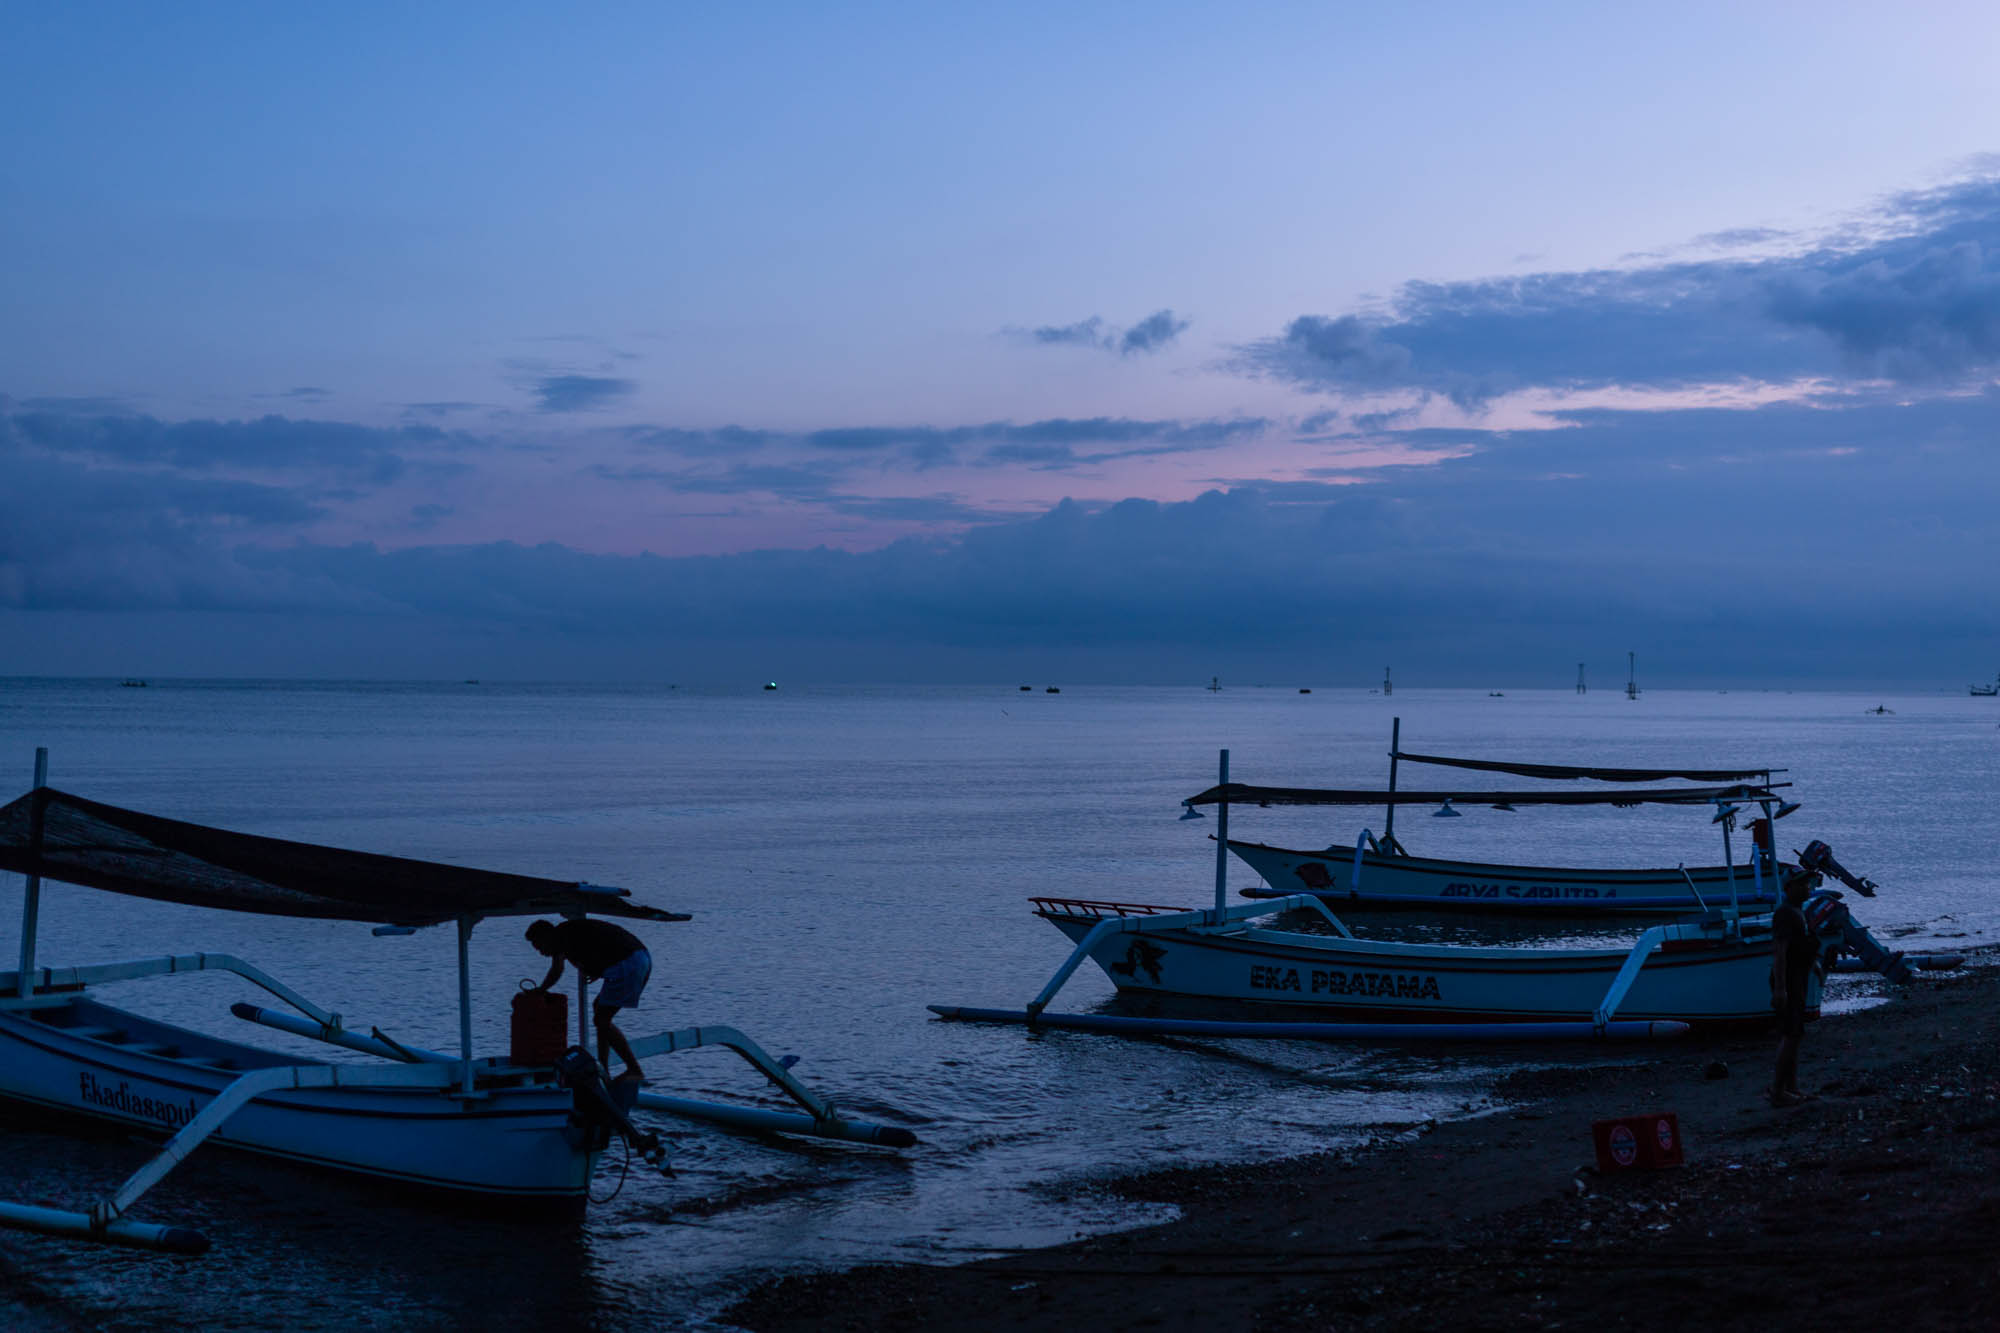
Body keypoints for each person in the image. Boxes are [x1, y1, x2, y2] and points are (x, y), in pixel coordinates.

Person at [526, 917, 652, 1082]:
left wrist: (541, 990)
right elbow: (597, 945)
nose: (540, 952)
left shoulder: (561, 936)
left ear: (546, 936)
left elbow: (557, 969)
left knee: (602, 1019)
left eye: (539, 946)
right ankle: (604, 1068)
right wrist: (598, 970)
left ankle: (634, 1070)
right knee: (599, 1009)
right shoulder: (568, 933)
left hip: (628, 963)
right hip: (639, 957)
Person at [1768, 869, 1823, 1108]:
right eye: (1800, 884)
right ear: (1788, 888)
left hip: (1799, 977)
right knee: (1790, 1034)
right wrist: (1780, 989)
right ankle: (1778, 1092)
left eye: (1807, 883)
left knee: (1796, 1034)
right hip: (1788, 979)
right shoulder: (1784, 914)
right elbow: (1780, 952)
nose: (1806, 887)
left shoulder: (1799, 912)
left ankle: (1792, 1087)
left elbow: (1805, 944)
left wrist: (1815, 966)